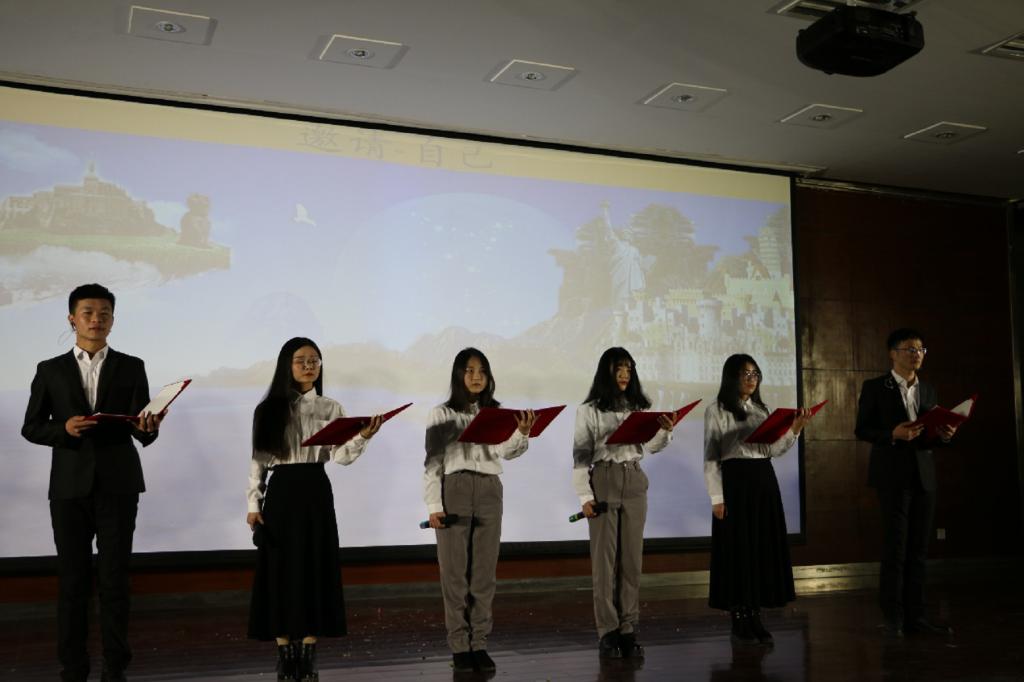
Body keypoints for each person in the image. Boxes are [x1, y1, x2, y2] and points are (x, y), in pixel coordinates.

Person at [21, 283, 162, 682]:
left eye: (104, 313)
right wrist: (63, 429)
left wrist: (148, 427)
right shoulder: (49, 369)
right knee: (73, 580)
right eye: (88, 313)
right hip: (68, 487)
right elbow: (31, 426)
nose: (96, 319)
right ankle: (73, 665)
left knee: (115, 579)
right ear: (72, 319)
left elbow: (141, 429)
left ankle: (115, 665)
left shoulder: (132, 366)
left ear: (113, 320)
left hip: (119, 483)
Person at [246, 337, 382, 681]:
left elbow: (341, 457)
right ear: (286, 366)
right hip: (281, 492)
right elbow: (259, 461)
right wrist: (253, 503)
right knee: (279, 569)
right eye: (301, 360)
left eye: (314, 360)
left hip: (315, 489)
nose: (309, 366)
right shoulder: (268, 409)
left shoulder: (331, 408)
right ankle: (284, 651)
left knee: (314, 566)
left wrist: (363, 436)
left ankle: (308, 651)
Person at [423, 347, 535, 674]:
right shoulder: (442, 414)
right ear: (459, 374)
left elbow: (506, 451)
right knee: (455, 574)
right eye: (470, 370)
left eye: (482, 371)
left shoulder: (497, 413)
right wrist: (434, 505)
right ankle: (460, 645)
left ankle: (480, 642)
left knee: (484, 575)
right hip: (454, 489)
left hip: (489, 489)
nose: (476, 376)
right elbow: (432, 463)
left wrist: (522, 433)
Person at [572, 347, 676, 659]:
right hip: (604, 479)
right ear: (606, 371)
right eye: (619, 368)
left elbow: (652, 446)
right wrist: (585, 496)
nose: (624, 374)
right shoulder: (589, 410)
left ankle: (628, 627)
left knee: (631, 560)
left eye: (629, 369)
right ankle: (607, 630)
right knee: (604, 563)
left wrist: (665, 432)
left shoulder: (638, 408)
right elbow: (581, 457)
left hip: (634, 479)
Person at [854, 328, 957, 637]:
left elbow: (929, 436)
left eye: (921, 350)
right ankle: (893, 617)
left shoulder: (928, 390)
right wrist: (892, 434)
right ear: (893, 353)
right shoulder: (875, 387)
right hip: (892, 476)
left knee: (919, 550)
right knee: (895, 548)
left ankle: (917, 617)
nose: (917, 355)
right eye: (910, 349)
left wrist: (945, 436)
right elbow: (862, 429)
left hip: (923, 476)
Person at [703, 354, 811, 645]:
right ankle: (739, 617)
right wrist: (716, 497)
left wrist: (795, 429)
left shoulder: (762, 410)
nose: (751, 379)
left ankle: (755, 616)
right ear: (731, 377)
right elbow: (711, 457)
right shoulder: (716, 410)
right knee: (739, 550)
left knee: (761, 548)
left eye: (755, 374)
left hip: (764, 479)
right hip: (735, 481)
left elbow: (773, 450)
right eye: (745, 374)